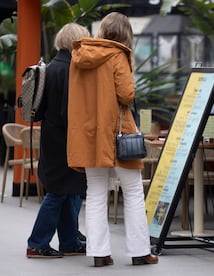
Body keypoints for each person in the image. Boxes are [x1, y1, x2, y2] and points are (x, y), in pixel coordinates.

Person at [67, 12, 158, 267]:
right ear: (126, 34)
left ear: (103, 30)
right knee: (132, 192)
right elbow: (127, 95)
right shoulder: (118, 55)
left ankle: (99, 253)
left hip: (89, 136)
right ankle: (140, 251)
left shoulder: (79, 56)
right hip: (118, 135)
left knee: (95, 193)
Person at [26, 23, 89, 258]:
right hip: (66, 140)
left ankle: (70, 241)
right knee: (58, 192)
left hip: (51, 138)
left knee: (67, 190)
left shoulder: (52, 67)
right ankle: (37, 243)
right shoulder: (71, 70)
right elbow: (68, 112)